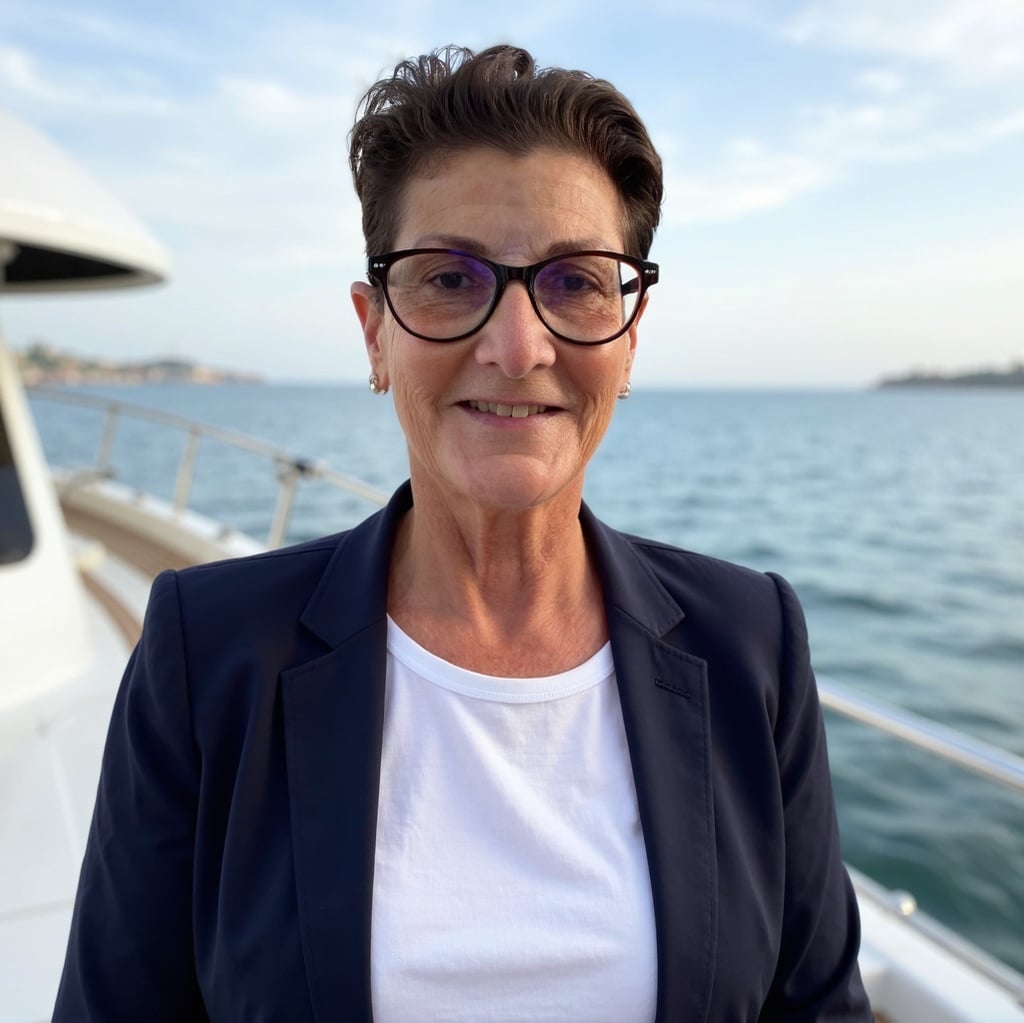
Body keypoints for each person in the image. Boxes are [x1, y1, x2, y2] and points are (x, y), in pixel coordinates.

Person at [53, 44, 872, 1022]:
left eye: (576, 282)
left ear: (629, 335)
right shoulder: (211, 652)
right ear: (374, 331)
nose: (517, 347)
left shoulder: (749, 642)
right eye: (448, 277)